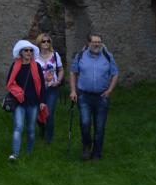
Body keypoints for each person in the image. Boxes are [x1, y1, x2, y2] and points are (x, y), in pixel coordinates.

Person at [69, 32, 119, 161]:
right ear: (89, 43)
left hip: (102, 97)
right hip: (84, 97)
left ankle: (97, 152)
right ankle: (87, 146)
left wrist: (109, 91)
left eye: (99, 42)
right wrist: (73, 91)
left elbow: (115, 73)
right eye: (94, 42)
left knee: (100, 126)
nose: (97, 44)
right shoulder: (80, 56)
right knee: (85, 123)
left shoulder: (107, 56)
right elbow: (73, 72)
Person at [6, 39, 46, 162]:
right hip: (19, 102)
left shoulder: (37, 66)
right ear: (21, 52)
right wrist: (19, 92)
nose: (29, 52)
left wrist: (42, 101)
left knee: (31, 129)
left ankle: (29, 152)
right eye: (26, 50)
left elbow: (42, 85)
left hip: (33, 103)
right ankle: (15, 154)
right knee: (18, 127)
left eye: (30, 50)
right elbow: (9, 82)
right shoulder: (15, 66)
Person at [35, 33, 63, 144]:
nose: (46, 43)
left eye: (48, 41)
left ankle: (48, 139)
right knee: (38, 113)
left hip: (52, 88)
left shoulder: (55, 55)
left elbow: (61, 70)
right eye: (43, 41)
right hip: (38, 90)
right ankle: (42, 128)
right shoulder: (34, 57)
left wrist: (58, 81)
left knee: (49, 113)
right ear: (39, 43)